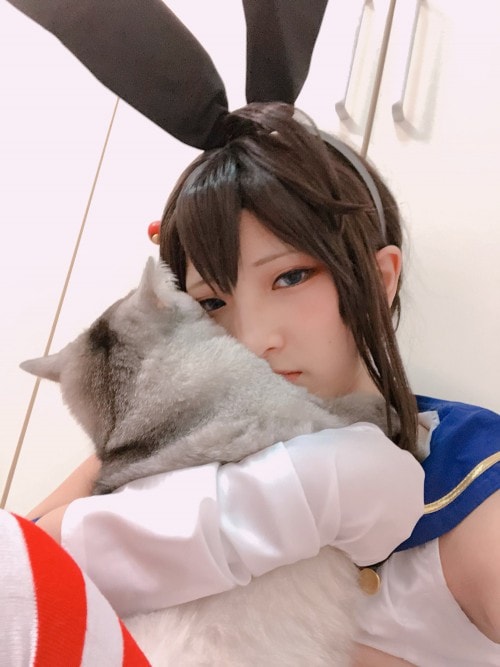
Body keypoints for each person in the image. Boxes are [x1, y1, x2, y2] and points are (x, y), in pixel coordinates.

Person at [25, 103, 500, 667]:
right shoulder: (164, 441)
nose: (251, 339)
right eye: (211, 302)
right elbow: (23, 569)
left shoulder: (466, 466)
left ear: (378, 279)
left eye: (290, 277)